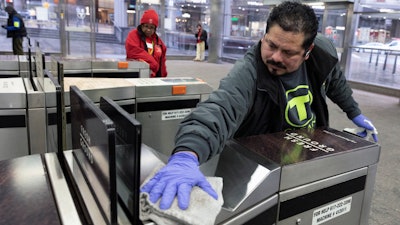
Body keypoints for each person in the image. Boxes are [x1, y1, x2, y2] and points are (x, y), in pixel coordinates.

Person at [141, 1, 378, 211]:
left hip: (306, 156)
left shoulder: (322, 52)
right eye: (271, 45)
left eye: (288, 52)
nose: (275, 57)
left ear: (308, 52)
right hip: (258, 162)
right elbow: (221, 108)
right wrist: (187, 154)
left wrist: (354, 112)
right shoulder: (250, 70)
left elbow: (335, 79)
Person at [125, 9, 168, 77]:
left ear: (155, 29)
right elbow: (134, 51)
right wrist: (153, 64)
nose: (148, 30)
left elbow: (162, 64)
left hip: (153, 79)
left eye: (151, 27)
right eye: (146, 26)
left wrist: (163, 78)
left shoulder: (158, 42)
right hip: (137, 76)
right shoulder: (133, 35)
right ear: (142, 25)